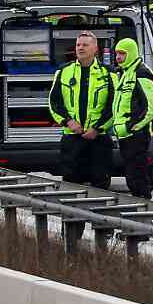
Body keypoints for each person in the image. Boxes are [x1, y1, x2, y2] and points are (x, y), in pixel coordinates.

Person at [47, 32, 115, 189]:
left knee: (100, 186)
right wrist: (68, 122)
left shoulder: (108, 73)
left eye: (85, 45)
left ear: (95, 49)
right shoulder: (64, 71)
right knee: (71, 186)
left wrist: (98, 128)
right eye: (78, 45)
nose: (80, 48)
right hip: (72, 139)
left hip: (98, 139)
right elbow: (54, 102)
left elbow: (114, 105)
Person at [111, 38, 153, 199]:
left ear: (130, 53)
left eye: (122, 54)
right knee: (132, 178)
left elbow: (151, 107)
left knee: (139, 178)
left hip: (137, 135)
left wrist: (132, 126)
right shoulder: (125, 72)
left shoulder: (141, 73)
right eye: (117, 53)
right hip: (126, 135)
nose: (118, 57)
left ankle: (145, 212)